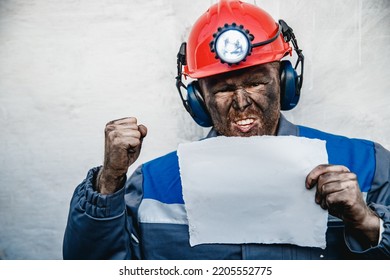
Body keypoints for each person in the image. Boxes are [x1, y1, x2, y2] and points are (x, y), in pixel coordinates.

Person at [63, 0, 390, 259]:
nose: (242, 102)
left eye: (257, 82)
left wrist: (367, 221)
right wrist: (109, 180)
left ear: (286, 82)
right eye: (221, 89)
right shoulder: (151, 186)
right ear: (197, 100)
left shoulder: (366, 164)